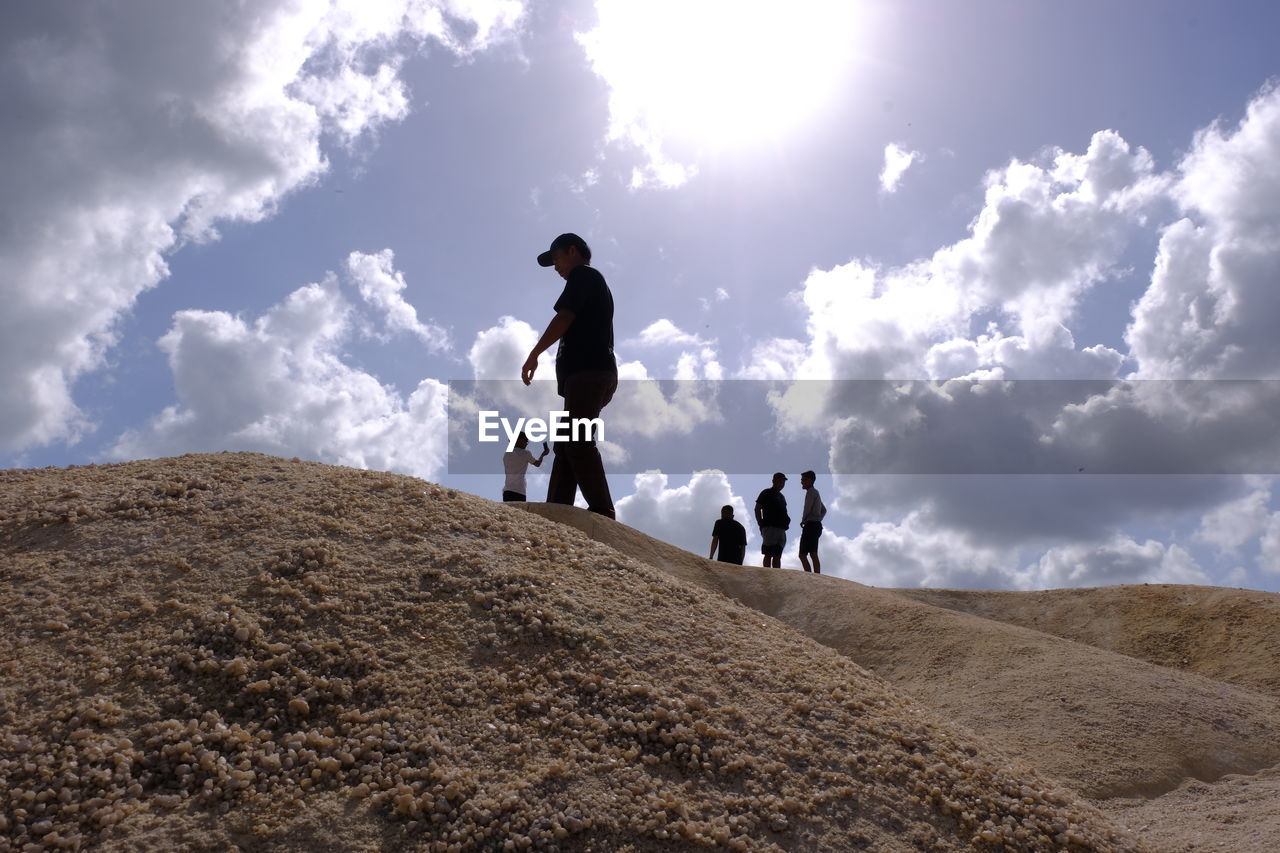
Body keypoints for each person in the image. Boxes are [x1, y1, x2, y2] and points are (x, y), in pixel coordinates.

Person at [521, 233, 618, 518]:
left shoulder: (584, 275)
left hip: (590, 372)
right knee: (566, 444)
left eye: (556, 258)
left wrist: (534, 353)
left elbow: (564, 317)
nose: (555, 267)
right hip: (588, 374)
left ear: (572, 251)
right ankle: (557, 507)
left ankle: (602, 510)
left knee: (577, 439)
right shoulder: (587, 280)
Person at [754, 472, 789, 568]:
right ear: (774, 481)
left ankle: (776, 576)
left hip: (781, 529)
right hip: (769, 527)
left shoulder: (782, 497)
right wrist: (760, 523)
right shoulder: (766, 492)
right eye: (780, 481)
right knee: (768, 553)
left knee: (777, 555)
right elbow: (757, 508)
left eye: (783, 481)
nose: (782, 483)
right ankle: (767, 575)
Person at [502, 433, 549, 502]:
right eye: (526, 441)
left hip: (506, 492)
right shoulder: (525, 453)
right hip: (519, 491)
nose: (527, 443)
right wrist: (543, 454)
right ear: (518, 440)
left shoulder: (506, 454)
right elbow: (537, 464)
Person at [798, 470, 827, 574]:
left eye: (803, 480)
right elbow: (824, 510)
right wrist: (818, 519)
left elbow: (807, 507)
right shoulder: (816, 492)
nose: (801, 482)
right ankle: (815, 575)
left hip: (810, 525)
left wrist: (803, 519)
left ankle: (811, 576)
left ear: (810, 480)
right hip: (816, 525)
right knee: (813, 552)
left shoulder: (811, 492)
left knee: (803, 554)